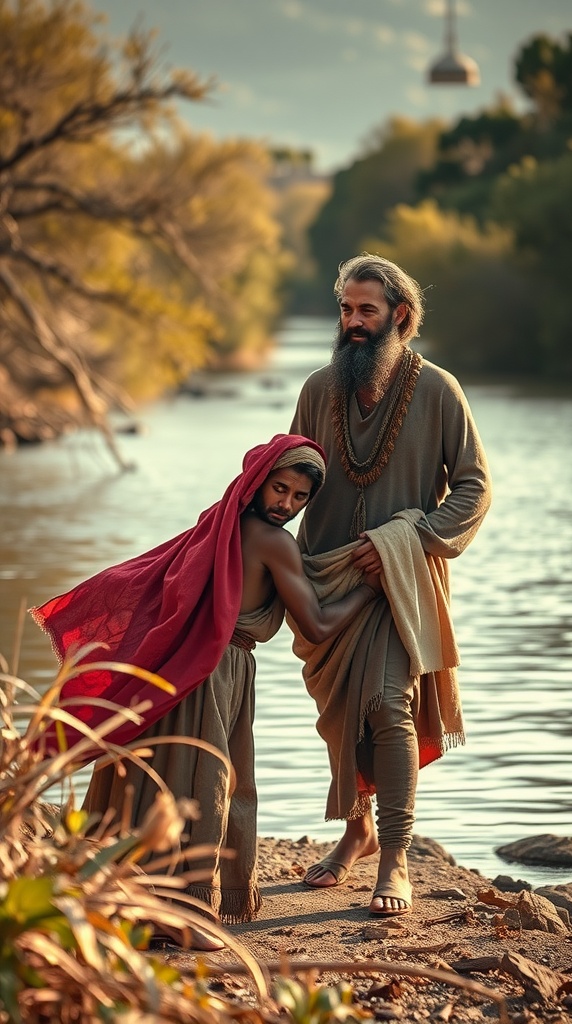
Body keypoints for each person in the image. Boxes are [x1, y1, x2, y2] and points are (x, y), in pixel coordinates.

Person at [31, 433, 381, 946]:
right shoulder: (272, 541)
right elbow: (319, 624)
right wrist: (372, 588)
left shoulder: (217, 524)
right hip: (216, 672)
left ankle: (122, 900)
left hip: (181, 668)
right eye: (279, 489)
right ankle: (184, 915)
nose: (286, 504)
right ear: (257, 480)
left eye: (300, 497)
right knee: (204, 784)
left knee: (160, 779)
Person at [288, 254, 492, 919]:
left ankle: (395, 855)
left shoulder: (438, 390)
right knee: (341, 714)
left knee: (386, 702)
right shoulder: (320, 389)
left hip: (402, 583)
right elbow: (287, 475)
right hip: (323, 578)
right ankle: (357, 830)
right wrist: (246, 544)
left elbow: (474, 487)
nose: (352, 322)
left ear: (399, 315)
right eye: (345, 309)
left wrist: (412, 541)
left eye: (365, 310)